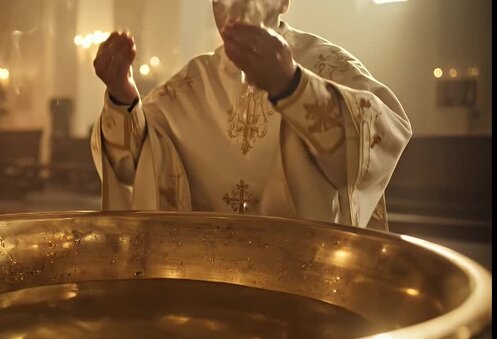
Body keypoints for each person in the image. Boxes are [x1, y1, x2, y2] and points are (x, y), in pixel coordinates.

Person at [90, 0, 412, 230]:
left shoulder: (326, 65)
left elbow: (382, 137)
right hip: (208, 282)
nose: (235, 8)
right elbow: (133, 168)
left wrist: (294, 87)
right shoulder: (192, 82)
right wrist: (122, 97)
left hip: (304, 278)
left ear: (284, 2)